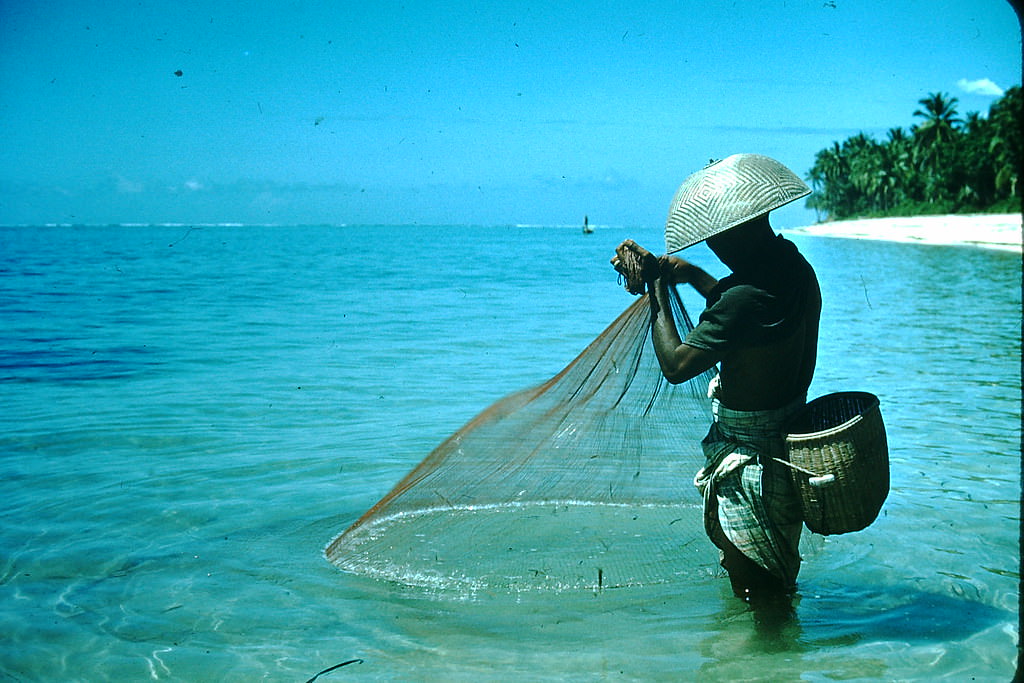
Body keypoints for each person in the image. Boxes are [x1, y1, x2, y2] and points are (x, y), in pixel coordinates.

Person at [611, 154, 821, 604]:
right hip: (785, 450)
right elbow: (745, 324)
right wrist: (687, 275)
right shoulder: (793, 269)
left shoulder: (742, 300)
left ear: (737, 232)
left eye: (716, 239)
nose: (714, 249)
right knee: (777, 594)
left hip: (752, 471)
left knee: (758, 598)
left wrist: (657, 288)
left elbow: (676, 365)